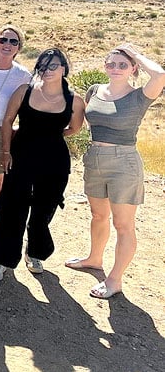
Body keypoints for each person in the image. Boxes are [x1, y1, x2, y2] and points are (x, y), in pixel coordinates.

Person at [65, 44, 165, 299]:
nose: (116, 68)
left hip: (124, 162)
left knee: (123, 224)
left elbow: (161, 75)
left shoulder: (140, 95)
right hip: (95, 158)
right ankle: (94, 259)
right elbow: (88, 119)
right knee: (98, 216)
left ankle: (114, 279)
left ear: (133, 68)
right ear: (105, 66)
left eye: (123, 64)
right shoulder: (95, 90)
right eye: (111, 63)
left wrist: (134, 52)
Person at [0, 48, 84, 281]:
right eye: (43, 66)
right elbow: (8, 120)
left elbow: (74, 128)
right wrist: (6, 151)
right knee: (12, 206)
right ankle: (2, 259)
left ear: (64, 68)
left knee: (44, 208)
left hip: (54, 161)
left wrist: (48, 135)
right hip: (20, 156)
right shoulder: (24, 91)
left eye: (53, 66)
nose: (47, 70)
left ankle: (35, 252)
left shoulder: (75, 100)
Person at [0, 25, 32, 250]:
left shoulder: (23, 75)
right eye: (3, 40)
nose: (7, 45)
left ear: (18, 48)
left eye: (13, 42)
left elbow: (28, 107)